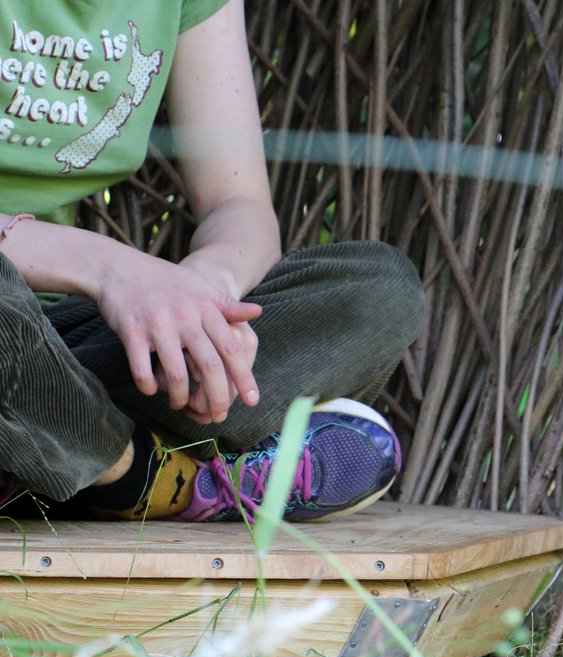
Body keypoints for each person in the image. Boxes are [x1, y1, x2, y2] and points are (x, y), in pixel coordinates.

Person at [0, 1, 425, 523]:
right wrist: (110, 268)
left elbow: (238, 205)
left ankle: (50, 445)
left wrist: (201, 303)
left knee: (376, 293)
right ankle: (141, 480)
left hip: (57, 344)